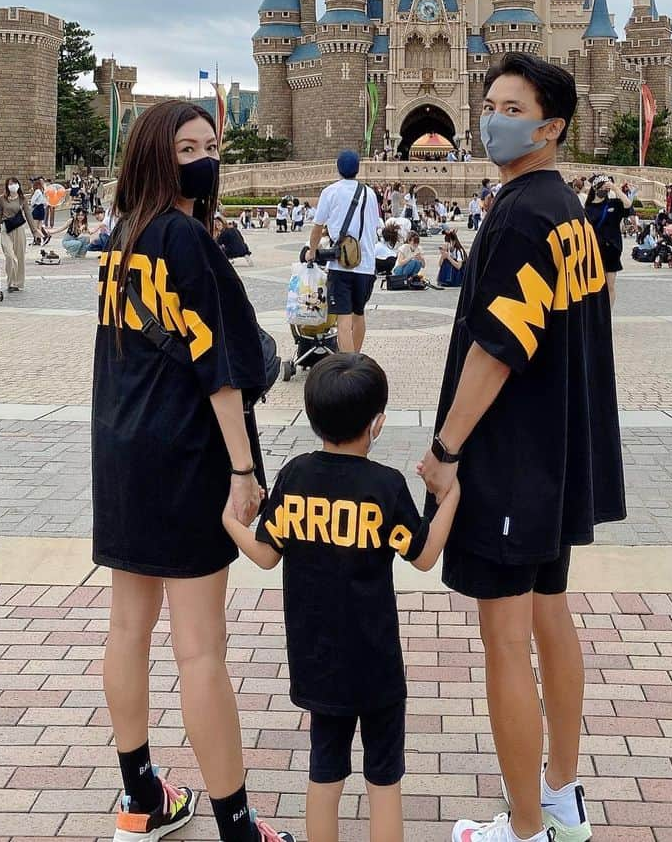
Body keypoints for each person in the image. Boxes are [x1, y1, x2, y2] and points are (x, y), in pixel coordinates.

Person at [419, 52, 624, 842]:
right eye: (491, 101)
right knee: (550, 617)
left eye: (511, 106)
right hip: (557, 456)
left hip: (511, 463)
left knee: (505, 639)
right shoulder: (567, 212)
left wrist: (444, 448)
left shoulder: (518, 215)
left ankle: (527, 826)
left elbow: (495, 348)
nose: (492, 116)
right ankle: (564, 797)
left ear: (551, 126)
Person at [92, 99, 290, 842]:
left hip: (119, 452)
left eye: (211, 144)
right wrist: (243, 470)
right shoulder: (184, 240)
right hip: (182, 455)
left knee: (127, 630)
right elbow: (223, 371)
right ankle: (237, 825)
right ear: (156, 154)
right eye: (187, 147)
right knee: (201, 646)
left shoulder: (123, 237)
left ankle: (141, 795)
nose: (205, 158)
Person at [223, 353, 459, 842]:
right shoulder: (385, 488)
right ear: (377, 424)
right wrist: (450, 494)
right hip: (377, 666)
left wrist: (230, 521)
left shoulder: (294, 478)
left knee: (324, 773)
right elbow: (424, 556)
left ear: (312, 420)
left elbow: (267, 556)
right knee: (384, 780)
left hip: (319, 663)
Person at [308, 151, 381, 354]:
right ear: (358, 169)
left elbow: (317, 227)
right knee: (359, 315)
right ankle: (356, 362)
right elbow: (374, 226)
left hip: (341, 265)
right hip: (366, 265)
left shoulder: (330, 192)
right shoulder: (370, 193)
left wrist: (312, 251)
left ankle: (348, 368)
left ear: (338, 168)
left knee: (344, 321)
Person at [583, 175, 633, 307]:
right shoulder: (588, 209)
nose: (604, 190)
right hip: (594, 250)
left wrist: (616, 189)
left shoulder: (614, 204)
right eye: (602, 187)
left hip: (611, 249)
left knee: (610, 285)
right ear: (595, 188)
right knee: (594, 285)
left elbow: (628, 204)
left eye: (606, 188)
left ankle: (608, 315)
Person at [0, 176, 42, 292]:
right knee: (10, 256)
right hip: (6, 229)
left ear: (18, 185)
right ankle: (10, 281)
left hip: (19, 229)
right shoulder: (2, 199)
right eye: (10, 184)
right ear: (7, 186)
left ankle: (17, 283)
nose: (12, 185)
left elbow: (28, 215)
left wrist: (34, 231)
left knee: (19, 257)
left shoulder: (22, 199)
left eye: (14, 183)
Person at [29, 178, 50, 244]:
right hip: (42, 209)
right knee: (39, 227)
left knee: (35, 227)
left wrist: (31, 204)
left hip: (37, 208)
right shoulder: (42, 191)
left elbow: (33, 201)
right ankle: (38, 240)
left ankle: (44, 237)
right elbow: (45, 202)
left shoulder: (37, 191)